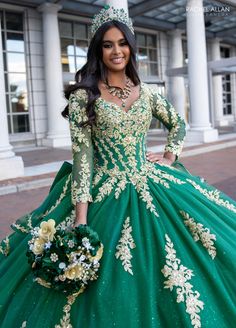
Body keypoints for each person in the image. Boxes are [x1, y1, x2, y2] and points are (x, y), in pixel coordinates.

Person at [0, 5, 236, 328]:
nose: (116, 51)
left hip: (153, 183)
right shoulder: (85, 97)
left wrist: (169, 156)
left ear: (131, 47)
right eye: (108, 44)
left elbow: (178, 124)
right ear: (98, 49)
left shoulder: (148, 93)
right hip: (104, 193)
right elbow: (83, 157)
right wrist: (81, 221)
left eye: (122, 43)